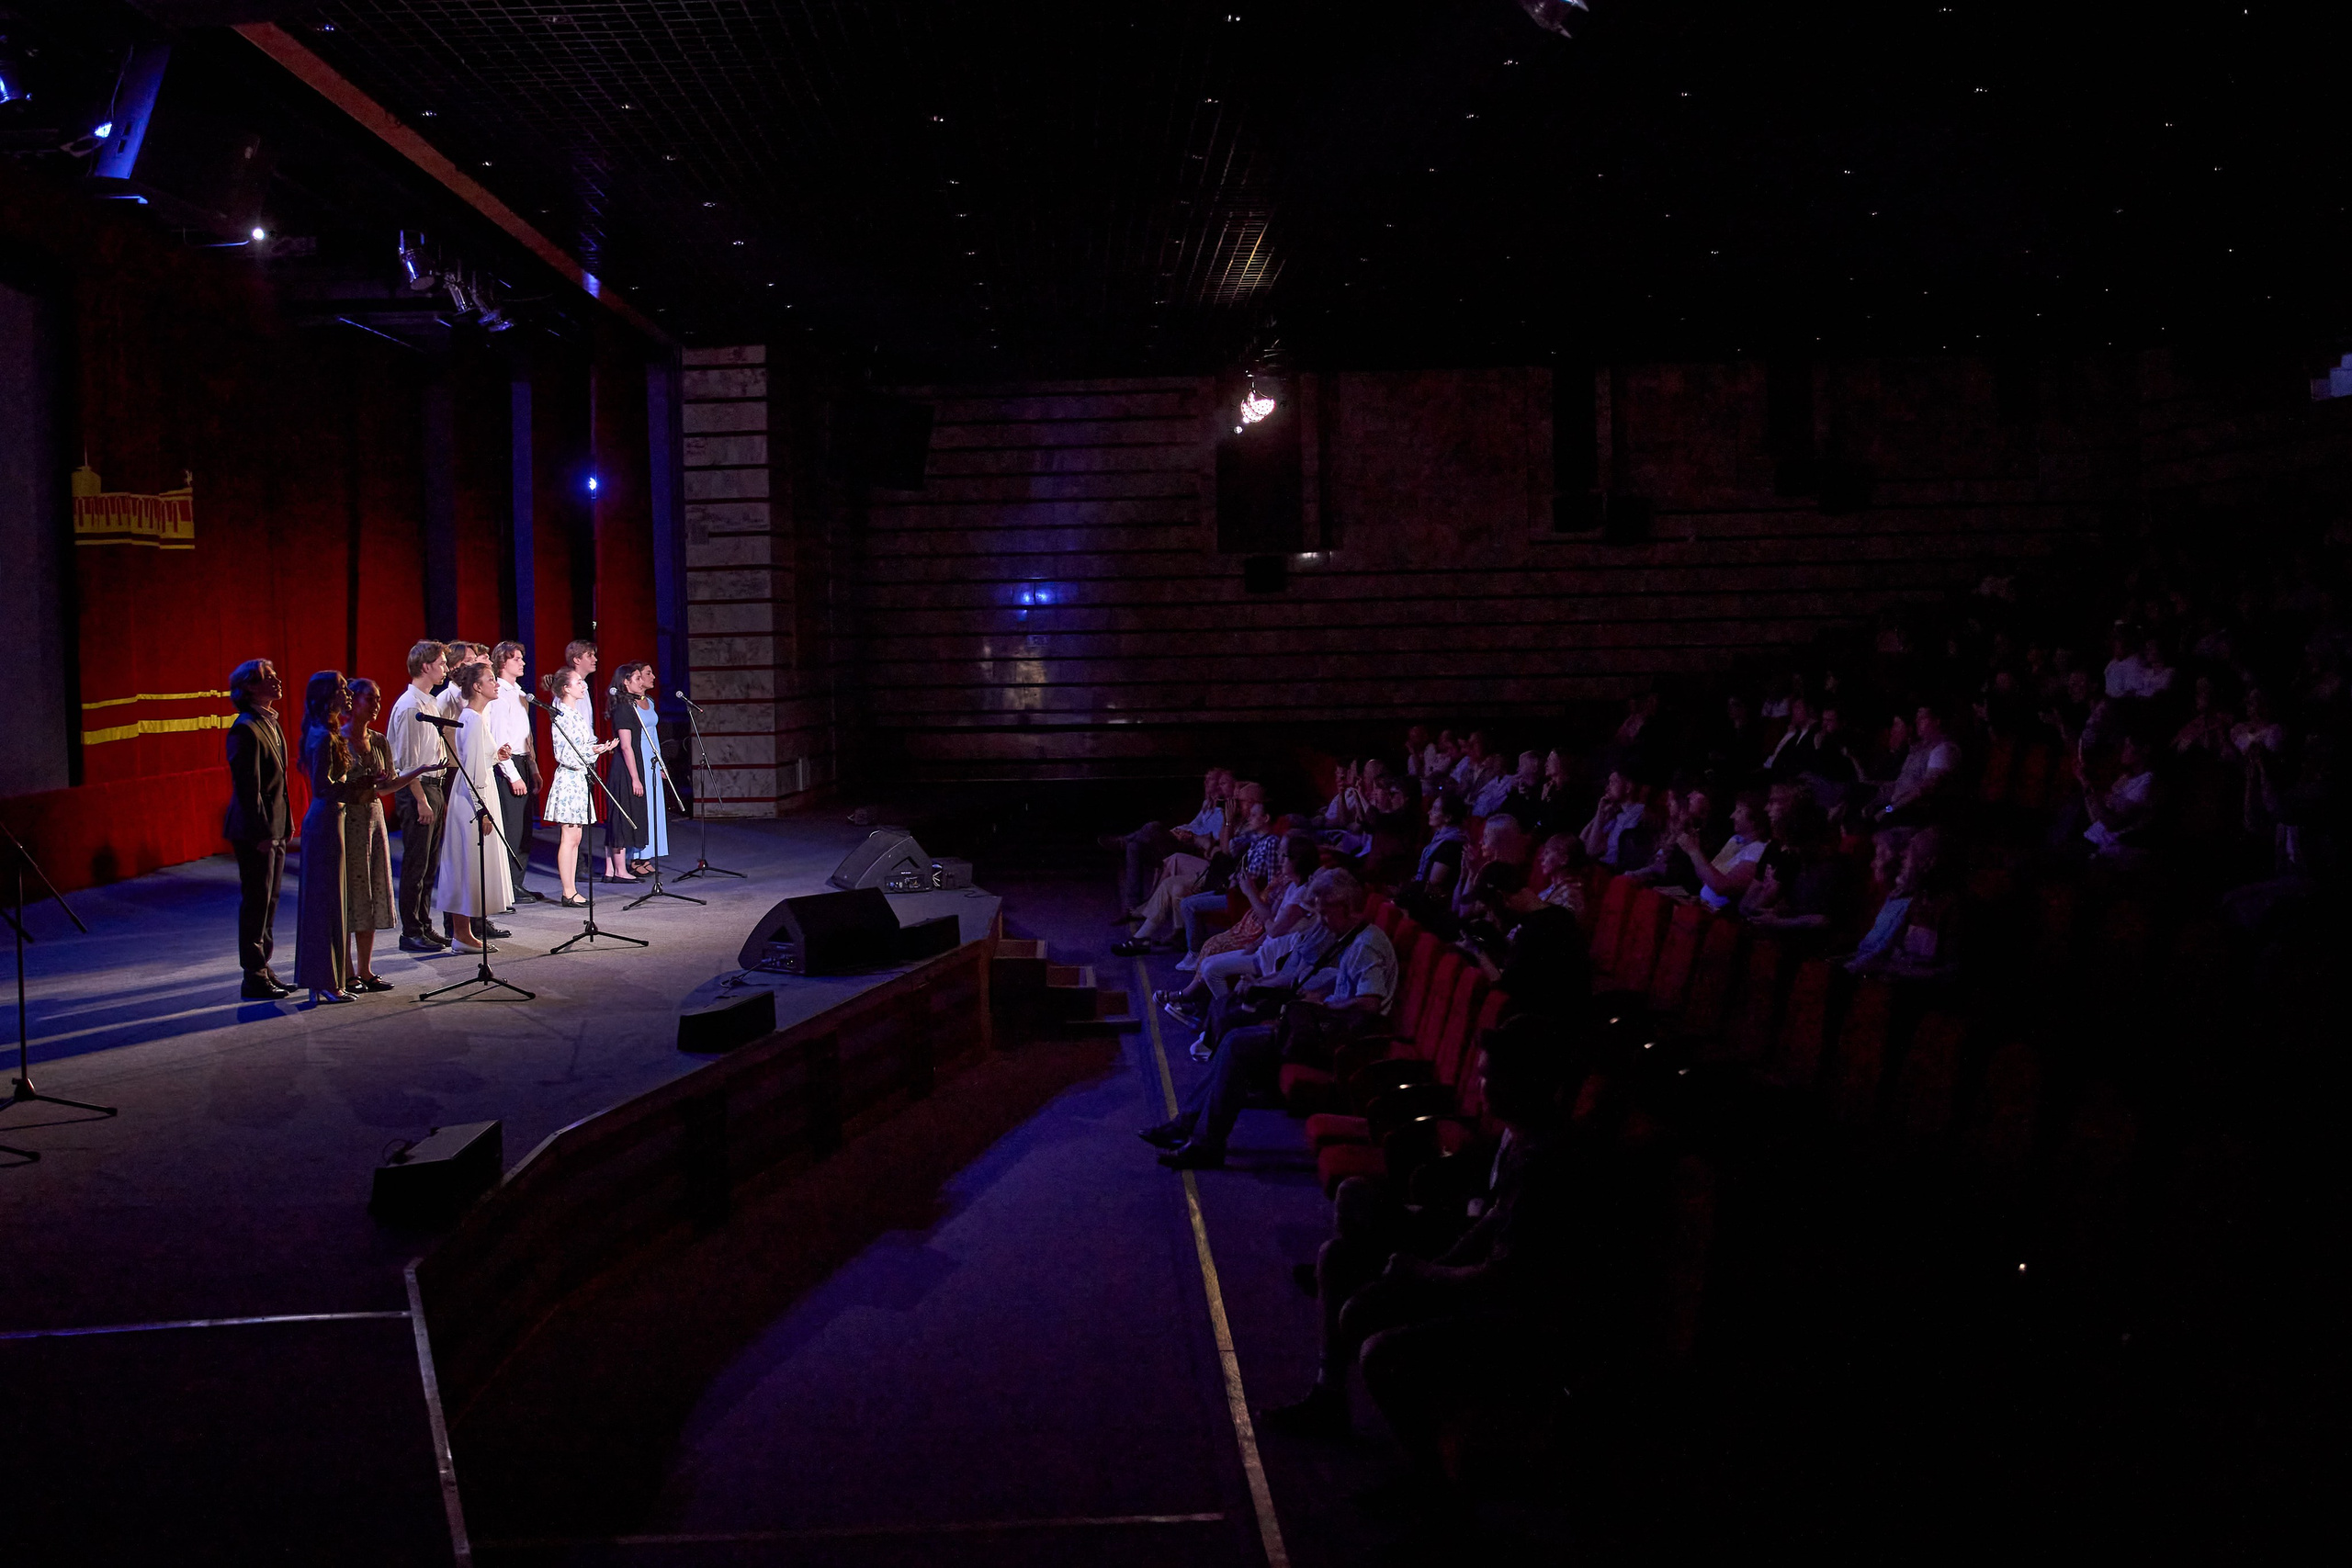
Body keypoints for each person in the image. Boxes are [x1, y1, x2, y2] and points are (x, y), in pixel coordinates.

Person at [1142, 869, 1397, 1170]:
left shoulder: (1365, 945)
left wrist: (1324, 1003)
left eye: (1326, 912)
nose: (1323, 920)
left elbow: (1369, 1004)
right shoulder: (1350, 936)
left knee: (1237, 1044)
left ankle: (1203, 1142)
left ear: (1344, 907)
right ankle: (1188, 1127)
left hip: (1347, 1040)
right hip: (1330, 1027)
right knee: (1233, 1042)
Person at [293, 671, 433, 1006]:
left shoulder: (347, 737)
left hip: (355, 819)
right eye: (345, 691)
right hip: (336, 821)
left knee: (355, 896)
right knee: (336, 901)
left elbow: (375, 784)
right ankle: (335, 976)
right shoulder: (330, 738)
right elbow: (325, 787)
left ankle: (348, 974)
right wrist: (366, 785)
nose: (347, 696)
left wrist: (384, 780)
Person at [223, 659, 293, 1000]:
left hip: (276, 826)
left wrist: (288, 823)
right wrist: (263, 831)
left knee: (271, 899)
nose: (278, 680)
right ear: (249, 686)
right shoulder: (245, 728)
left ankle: (264, 966)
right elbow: (248, 789)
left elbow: (280, 785)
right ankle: (252, 974)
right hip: (256, 831)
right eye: (269, 677)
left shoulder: (270, 723)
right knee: (256, 900)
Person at [435, 660, 516, 953]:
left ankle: (465, 933)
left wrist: (498, 755)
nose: (496, 684)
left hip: (480, 795)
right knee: (466, 865)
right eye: (491, 679)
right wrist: (482, 809)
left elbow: (482, 758)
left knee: (473, 865)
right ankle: (461, 934)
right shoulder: (470, 719)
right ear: (477, 687)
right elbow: (469, 769)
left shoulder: (476, 718)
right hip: (471, 800)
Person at [387, 641, 454, 953]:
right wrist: (420, 800)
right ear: (425, 666)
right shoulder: (410, 705)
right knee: (416, 865)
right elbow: (405, 761)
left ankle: (425, 925)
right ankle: (410, 931)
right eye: (441, 663)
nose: (446, 668)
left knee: (429, 864)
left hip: (434, 785)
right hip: (418, 789)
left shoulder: (429, 702)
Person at [342, 679, 405, 993]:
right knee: (351, 895)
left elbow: (387, 785)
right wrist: (364, 783)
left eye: (379, 699)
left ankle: (365, 969)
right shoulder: (337, 740)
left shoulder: (379, 740)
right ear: (352, 701)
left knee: (372, 891)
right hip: (347, 821)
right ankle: (346, 970)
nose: (377, 705)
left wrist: (418, 773)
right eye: (371, 698)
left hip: (373, 819)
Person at [539, 667, 619, 906]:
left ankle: (571, 889)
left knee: (576, 837)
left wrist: (597, 749)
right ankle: (568, 891)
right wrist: (591, 751)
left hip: (580, 778)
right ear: (566, 688)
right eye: (578, 682)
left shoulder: (574, 714)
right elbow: (564, 754)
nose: (583, 686)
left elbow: (583, 746)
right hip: (569, 778)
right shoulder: (561, 715)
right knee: (569, 837)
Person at [489, 642, 544, 904]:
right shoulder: (499, 695)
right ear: (503, 662)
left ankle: (517, 883)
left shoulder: (520, 693)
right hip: (509, 765)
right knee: (512, 829)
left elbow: (526, 736)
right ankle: (508, 886)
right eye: (517, 659)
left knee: (524, 830)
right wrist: (513, 775)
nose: (523, 663)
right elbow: (500, 738)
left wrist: (532, 767)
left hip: (523, 762)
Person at [604, 661, 652, 882]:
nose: (641, 681)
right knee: (622, 816)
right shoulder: (623, 707)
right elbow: (625, 745)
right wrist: (635, 778)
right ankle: (619, 870)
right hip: (625, 769)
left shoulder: (629, 704)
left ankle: (611, 869)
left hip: (631, 765)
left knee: (621, 815)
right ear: (625, 682)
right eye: (636, 678)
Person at [631, 669, 672, 873]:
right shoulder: (630, 705)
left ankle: (647, 855)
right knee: (642, 806)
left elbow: (654, 735)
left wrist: (661, 762)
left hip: (652, 757)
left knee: (654, 806)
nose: (653, 676)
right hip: (638, 756)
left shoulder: (651, 703)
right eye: (647, 673)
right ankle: (635, 857)